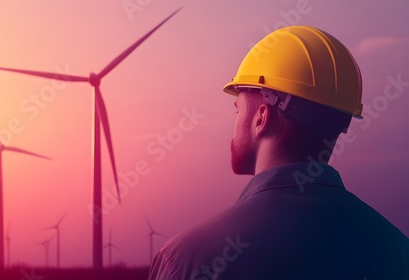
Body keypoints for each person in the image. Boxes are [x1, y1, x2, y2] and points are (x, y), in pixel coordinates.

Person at [148, 25, 409, 280]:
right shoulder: (399, 253)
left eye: (237, 110)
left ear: (262, 117)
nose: (235, 121)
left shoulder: (185, 260)